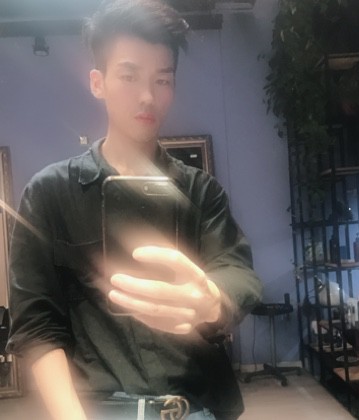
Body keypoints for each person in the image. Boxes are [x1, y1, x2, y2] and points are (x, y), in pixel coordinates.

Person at [6, 1, 262, 419]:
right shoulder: (50, 194)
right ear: (98, 82)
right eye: (129, 76)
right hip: (99, 410)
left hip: (196, 409)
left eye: (163, 79)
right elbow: (36, 322)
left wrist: (212, 299)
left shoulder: (201, 192)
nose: (148, 96)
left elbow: (238, 270)